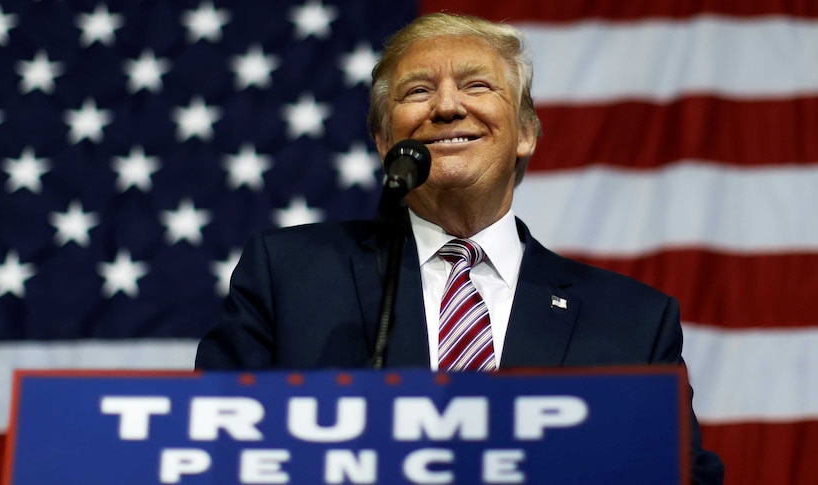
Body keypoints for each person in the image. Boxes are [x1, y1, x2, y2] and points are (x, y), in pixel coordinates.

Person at [196, 12, 724, 484]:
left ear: (526, 132)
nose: (447, 107)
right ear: (385, 142)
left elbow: (679, 474)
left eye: (476, 85)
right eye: (418, 92)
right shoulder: (289, 275)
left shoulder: (632, 320)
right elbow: (210, 448)